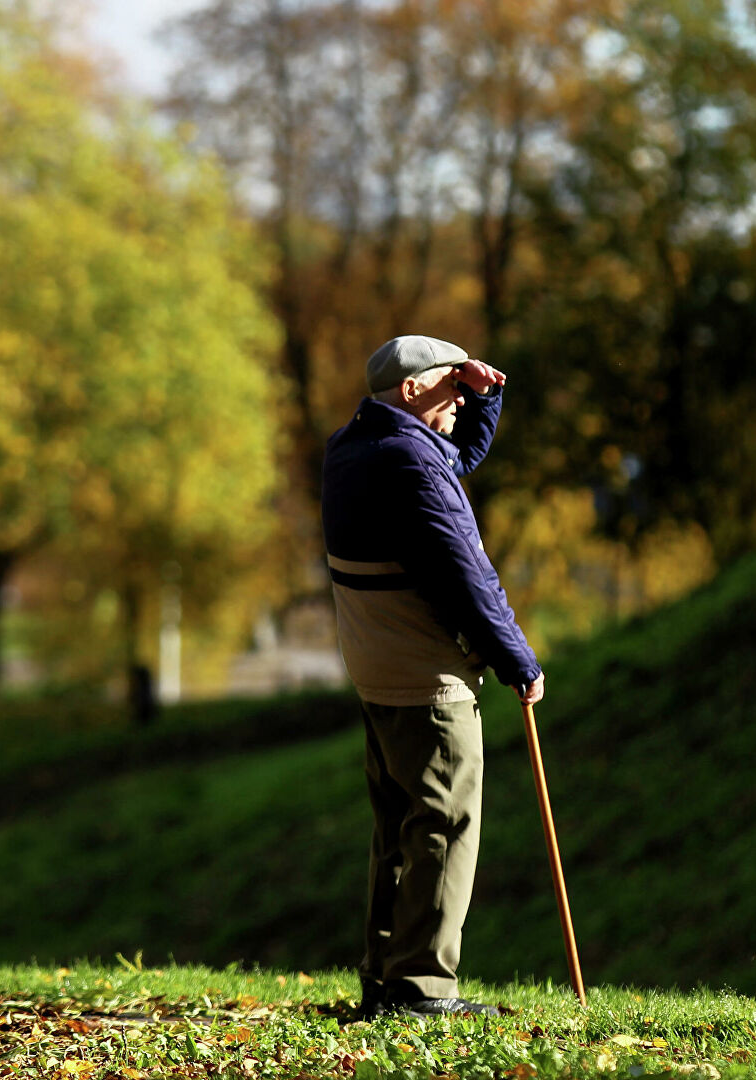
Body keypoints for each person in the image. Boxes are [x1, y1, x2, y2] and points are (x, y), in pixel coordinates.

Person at [321, 334, 545, 1020]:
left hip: (375, 668)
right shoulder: (411, 463)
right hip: (427, 678)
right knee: (444, 825)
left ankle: (386, 980)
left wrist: (487, 395)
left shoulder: (354, 447)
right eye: (452, 389)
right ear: (414, 389)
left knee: (397, 830)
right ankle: (421, 991)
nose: (459, 402)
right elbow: (466, 577)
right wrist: (517, 660)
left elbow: (455, 457)